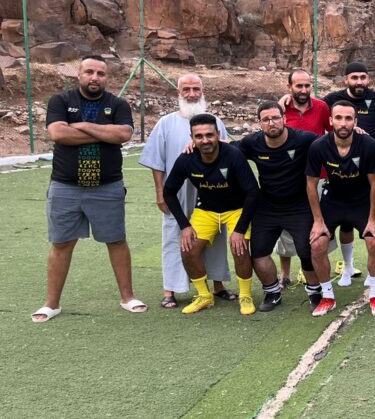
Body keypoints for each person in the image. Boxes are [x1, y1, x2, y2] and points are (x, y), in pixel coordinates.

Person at [34, 56, 145, 322]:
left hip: (107, 187)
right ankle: (51, 304)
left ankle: (128, 297)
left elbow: (123, 135)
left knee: (116, 240)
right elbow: (58, 134)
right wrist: (104, 132)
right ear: (79, 75)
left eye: (100, 73)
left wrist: (82, 126)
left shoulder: (117, 104)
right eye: (89, 72)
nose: (95, 77)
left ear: (107, 78)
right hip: (65, 187)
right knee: (61, 243)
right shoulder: (61, 101)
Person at [140, 73, 235, 309]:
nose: (192, 94)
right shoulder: (166, 123)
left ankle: (218, 285)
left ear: (203, 91)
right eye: (187, 90)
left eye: (196, 89)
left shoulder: (215, 122)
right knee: (175, 235)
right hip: (177, 191)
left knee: (215, 235)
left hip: (212, 190)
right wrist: (160, 193)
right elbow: (156, 161)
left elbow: (228, 152)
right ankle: (170, 289)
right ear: (178, 93)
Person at [162, 114, 260, 315]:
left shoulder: (233, 155)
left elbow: (253, 192)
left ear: (217, 134)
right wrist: (184, 226)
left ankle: (245, 295)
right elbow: (168, 192)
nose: (205, 140)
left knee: (239, 248)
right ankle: (204, 296)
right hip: (206, 210)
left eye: (209, 135)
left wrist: (240, 229)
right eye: (199, 136)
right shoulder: (186, 159)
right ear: (192, 138)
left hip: (236, 209)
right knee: (188, 249)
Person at [236, 102, 322, 313]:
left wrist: (356, 132)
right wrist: (195, 145)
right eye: (266, 119)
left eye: (275, 117)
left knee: (306, 251)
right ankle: (272, 292)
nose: (271, 123)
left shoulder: (303, 139)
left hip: (299, 206)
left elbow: (331, 143)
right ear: (259, 123)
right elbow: (225, 151)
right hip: (267, 207)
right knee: (259, 253)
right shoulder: (252, 142)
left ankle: (315, 291)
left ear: (284, 119)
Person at [306, 100, 375, 317]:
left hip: (362, 201)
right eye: (338, 118)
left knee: (374, 242)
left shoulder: (368, 145)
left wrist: (373, 219)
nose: (343, 123)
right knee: (317, 244)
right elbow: (311, 184)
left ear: (355, 122)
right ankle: (327, 297)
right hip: (333, 201)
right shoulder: (319, 146)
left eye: (348, 118)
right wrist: (318, 221)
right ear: (331, 121)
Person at [276, 69, 331, 287]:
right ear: (289, 87)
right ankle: (285, 274)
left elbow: (333, 132)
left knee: (317, 223)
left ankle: (316, 271)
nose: (304, 90)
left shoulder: (321, 107)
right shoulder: (280, 109)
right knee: (284, 227)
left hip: (316, 176)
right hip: (287, 177)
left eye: (307, 85)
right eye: (299, 86)